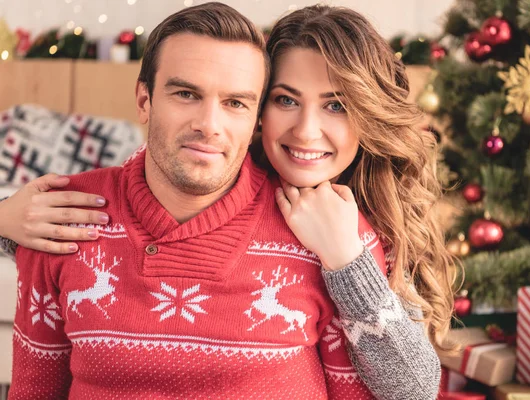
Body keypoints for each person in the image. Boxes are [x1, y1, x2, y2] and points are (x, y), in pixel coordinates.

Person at [0, 3, 455, 399]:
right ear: (144, 100)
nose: (306, 131)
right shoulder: (66, 211)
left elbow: (410, 389)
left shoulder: (340, 234)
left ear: (250, 115)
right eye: (185, 93)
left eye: (235, 102)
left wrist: (348, 261)